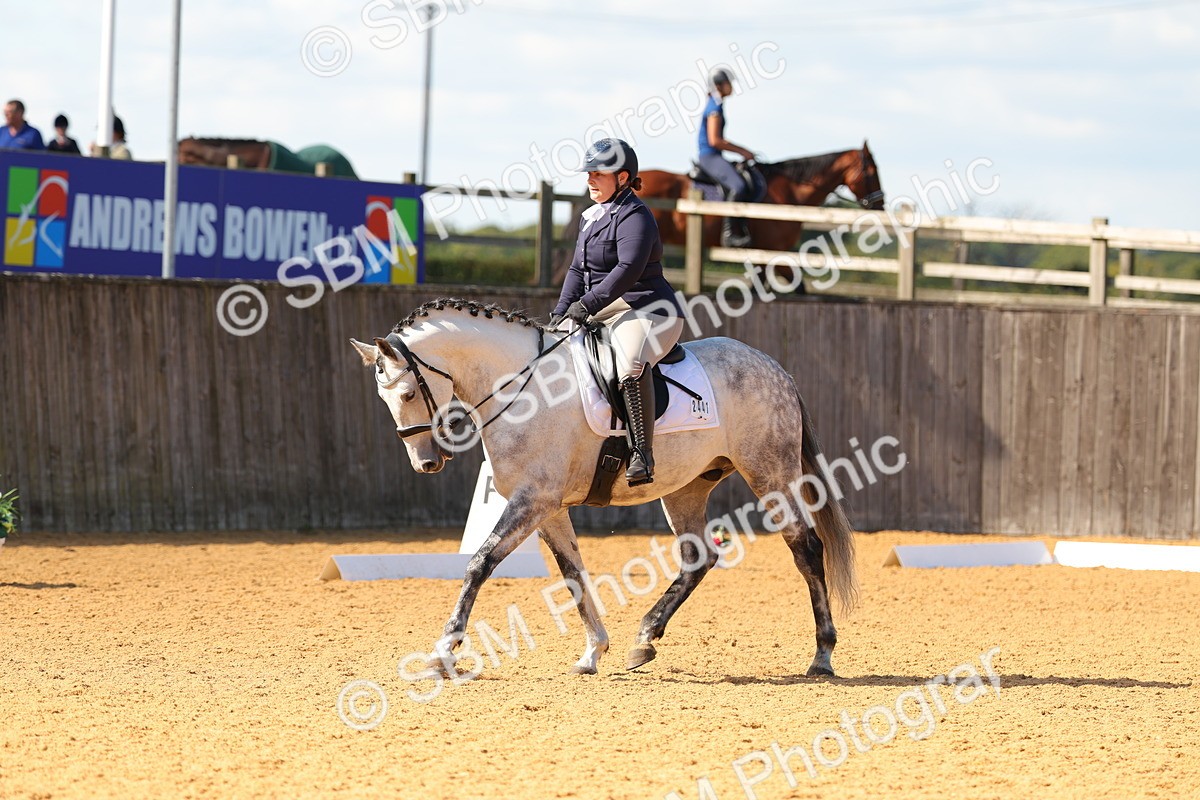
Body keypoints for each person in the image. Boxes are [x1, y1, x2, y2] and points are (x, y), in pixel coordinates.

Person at [550, 138, 685, 486]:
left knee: (629, 364)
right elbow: (577, 270)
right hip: (609, 308)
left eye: (598, 174)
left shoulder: (636, 217)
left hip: (650, 310)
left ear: (623, 177)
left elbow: (628, 269)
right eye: (589, 174)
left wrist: (587, 305)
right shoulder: (593, 217)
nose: (590, 180)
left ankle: (642, 453)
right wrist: (561, 312)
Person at [697, 69, 757, 247]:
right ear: (719, 85)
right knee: (738, 186)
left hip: (714, 156)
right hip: (709, 156)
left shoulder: (717, 104)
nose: (732, 86)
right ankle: (728, 234)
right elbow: (715, 140)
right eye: (729, 83)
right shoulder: (714, 107)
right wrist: (743, 151)